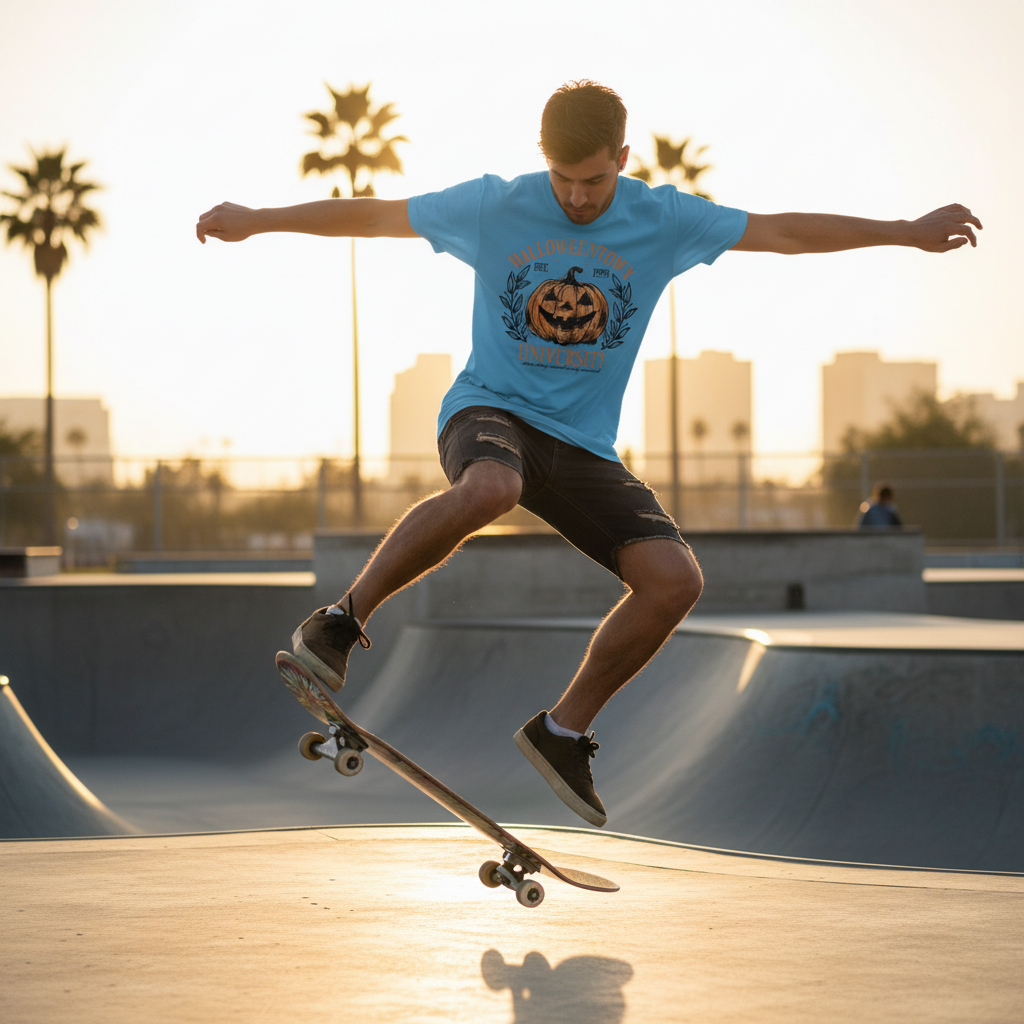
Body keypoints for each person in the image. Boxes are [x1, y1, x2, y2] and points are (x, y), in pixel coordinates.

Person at [196, 81, 980, 828]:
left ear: (624, 159)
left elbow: (784, 232)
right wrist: (259, 219)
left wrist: (904, 231)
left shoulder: (663, 217)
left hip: (581, 447)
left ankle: (562, 732)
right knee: (492, 488)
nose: (576, 197)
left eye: (594, 181)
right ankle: (341, 621)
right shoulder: (494, 204)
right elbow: (374, 216)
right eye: (563, 180)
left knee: (675, 582)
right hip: (489, 409)